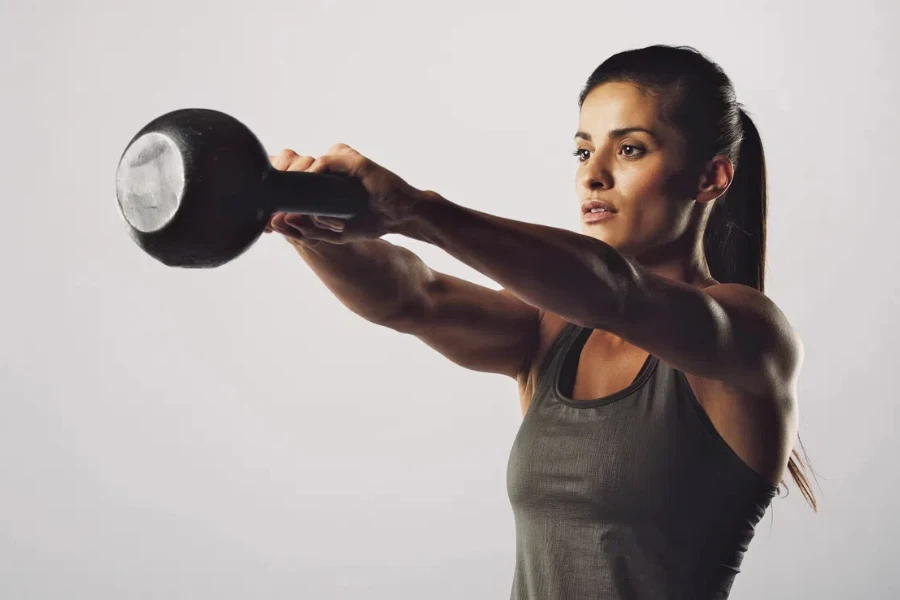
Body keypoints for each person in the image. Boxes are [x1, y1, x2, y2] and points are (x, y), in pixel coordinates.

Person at [265, 44, 817, 600]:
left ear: (710, 178)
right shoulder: (551, 329)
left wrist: (415, 209)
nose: (593, 176)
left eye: (629, 149)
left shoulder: (750, 336)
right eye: (582, 152)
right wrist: (305, 223)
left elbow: (617, 293)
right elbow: (413, 297)